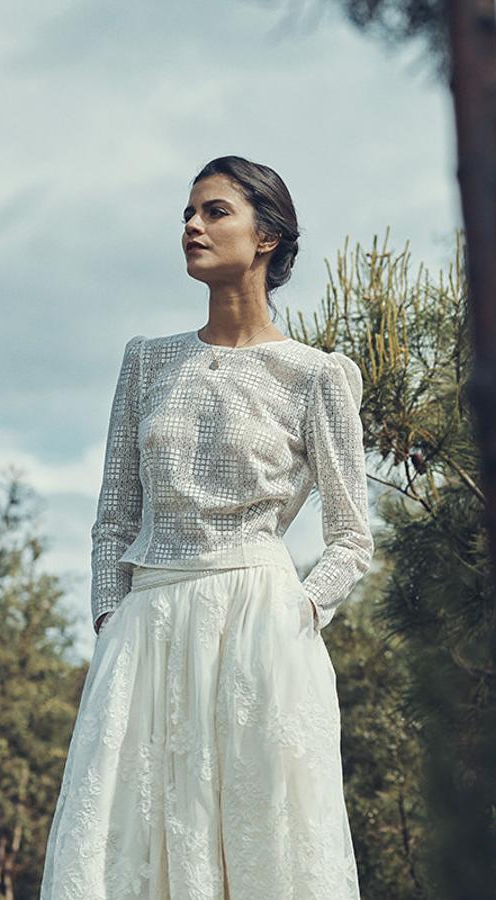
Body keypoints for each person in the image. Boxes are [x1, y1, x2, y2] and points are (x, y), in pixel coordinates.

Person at [40, 155, 373, 899]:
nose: (192, 226)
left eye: (215, 211)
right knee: (131, 846)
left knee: (265, 846)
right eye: (187, 215)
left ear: (267, 237)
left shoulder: (315, 375)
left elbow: (353, 535)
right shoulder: (148, 363)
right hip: (148, 628)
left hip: (261, 625)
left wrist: (299, 610)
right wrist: (111, 617)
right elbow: (112, 518)